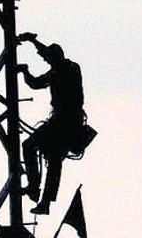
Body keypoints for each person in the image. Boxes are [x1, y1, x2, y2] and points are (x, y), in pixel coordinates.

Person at [17, 32, 89, 215]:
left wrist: (25, 71)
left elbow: (35, 83)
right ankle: (44, 202)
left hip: (63, 122)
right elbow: (48, 56)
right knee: (55, 162)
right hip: (70, 123)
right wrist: (33, 42)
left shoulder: (60, 71)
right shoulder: (71, 67)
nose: (46, 61)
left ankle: (34, 189)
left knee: (30, 145)